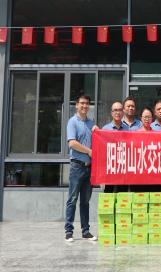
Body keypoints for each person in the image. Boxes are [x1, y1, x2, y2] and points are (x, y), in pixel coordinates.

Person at [64, 94, 97, 242]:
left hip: (89, 168)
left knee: (85, 201)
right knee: (72, 199)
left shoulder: (91, 123)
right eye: (82, 103)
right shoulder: (72, 122)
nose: (84, 106)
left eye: (87, 103)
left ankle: (86, 231)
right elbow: (72, 143)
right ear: (76, 105)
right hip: (77, 166)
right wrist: (89, 151)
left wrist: (98, 130)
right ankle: (69, 231)